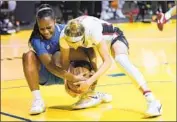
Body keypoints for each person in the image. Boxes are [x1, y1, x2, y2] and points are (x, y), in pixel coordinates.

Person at [59, 15, 162, 117]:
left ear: (82, 37)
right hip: (93, 45)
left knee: (121, 60)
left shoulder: (92, 30)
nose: (74, 46)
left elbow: (107, 61)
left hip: (113, 36)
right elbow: (64, 61)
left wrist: (89, 82)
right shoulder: (64, 36)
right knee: (74, 70)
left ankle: (152, 101)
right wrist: (67, 81)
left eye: (76, 43)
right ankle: (91, 95)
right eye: (70, 43)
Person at [22, 4, 87, 115]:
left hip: (66, 69)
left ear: (55, 21)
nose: (46, 32)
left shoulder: (66, 30)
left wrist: (84, 74)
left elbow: (84, 54)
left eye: (49, 27)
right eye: (42, 28)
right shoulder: (36, 39)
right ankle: (38, 100)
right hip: (47, 74)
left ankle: (89, 94)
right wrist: (73, 77)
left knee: (82, 55)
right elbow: (50, 66)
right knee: (28, 56)